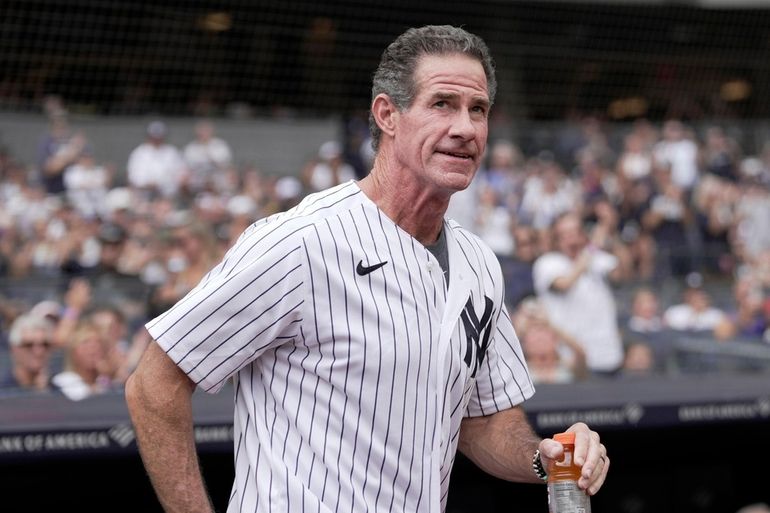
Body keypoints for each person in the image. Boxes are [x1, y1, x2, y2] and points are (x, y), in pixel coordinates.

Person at [126, 25, 609, 513]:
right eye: (442, 104)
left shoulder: (479, 262)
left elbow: (484, 421)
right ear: (387, 115)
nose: (465, 128)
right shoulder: (302, 241)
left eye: (477, 109)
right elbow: (154, 383)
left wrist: (545, 458)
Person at [532, 212, 625, 375]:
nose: (571, 239)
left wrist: (610, 233)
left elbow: (622, 274)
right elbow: (565, 284)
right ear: (556, 239)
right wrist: (592, 247)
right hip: (571, 361)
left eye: (575, 233)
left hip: (610, 356)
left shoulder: (597, 258)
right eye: (565, 234)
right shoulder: (548, 262)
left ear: (583, 235)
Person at [0, 313, 56, 394]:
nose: (38, 352)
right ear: (14, 349)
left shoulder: (62, 389)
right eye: (29, 345)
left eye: (45, 345)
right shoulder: (3, 392)